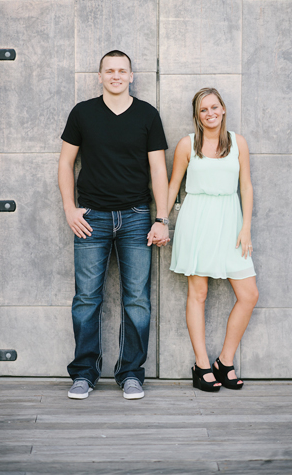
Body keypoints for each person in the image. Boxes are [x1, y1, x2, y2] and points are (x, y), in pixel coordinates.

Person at [58, 50, 169, 401]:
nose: (116, 75)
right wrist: (69, 209)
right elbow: (65, 164)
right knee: (86, 299)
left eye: (122, 70)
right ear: (101, 75)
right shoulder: (83, 113)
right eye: (110, 70)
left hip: (137, 217)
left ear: (132, 75)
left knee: (137, 300)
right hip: (91, 218)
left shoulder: (147, 115)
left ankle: (131, 373)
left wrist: (162, 218)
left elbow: (158, 171)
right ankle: (84, 374)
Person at [167, 87, 258, 392]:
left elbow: (246, 187)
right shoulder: (187, 145)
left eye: (214, 107)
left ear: (223, 110)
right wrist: (161, 220)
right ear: (197, 115)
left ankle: (225, 361)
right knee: (199, 293)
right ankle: (202, 365)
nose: (210, 114)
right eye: (203, 109)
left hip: (231, 221)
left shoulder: (238, 143)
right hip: (197, 220)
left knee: (249, 295)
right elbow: (173, 186)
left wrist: (245, 227)